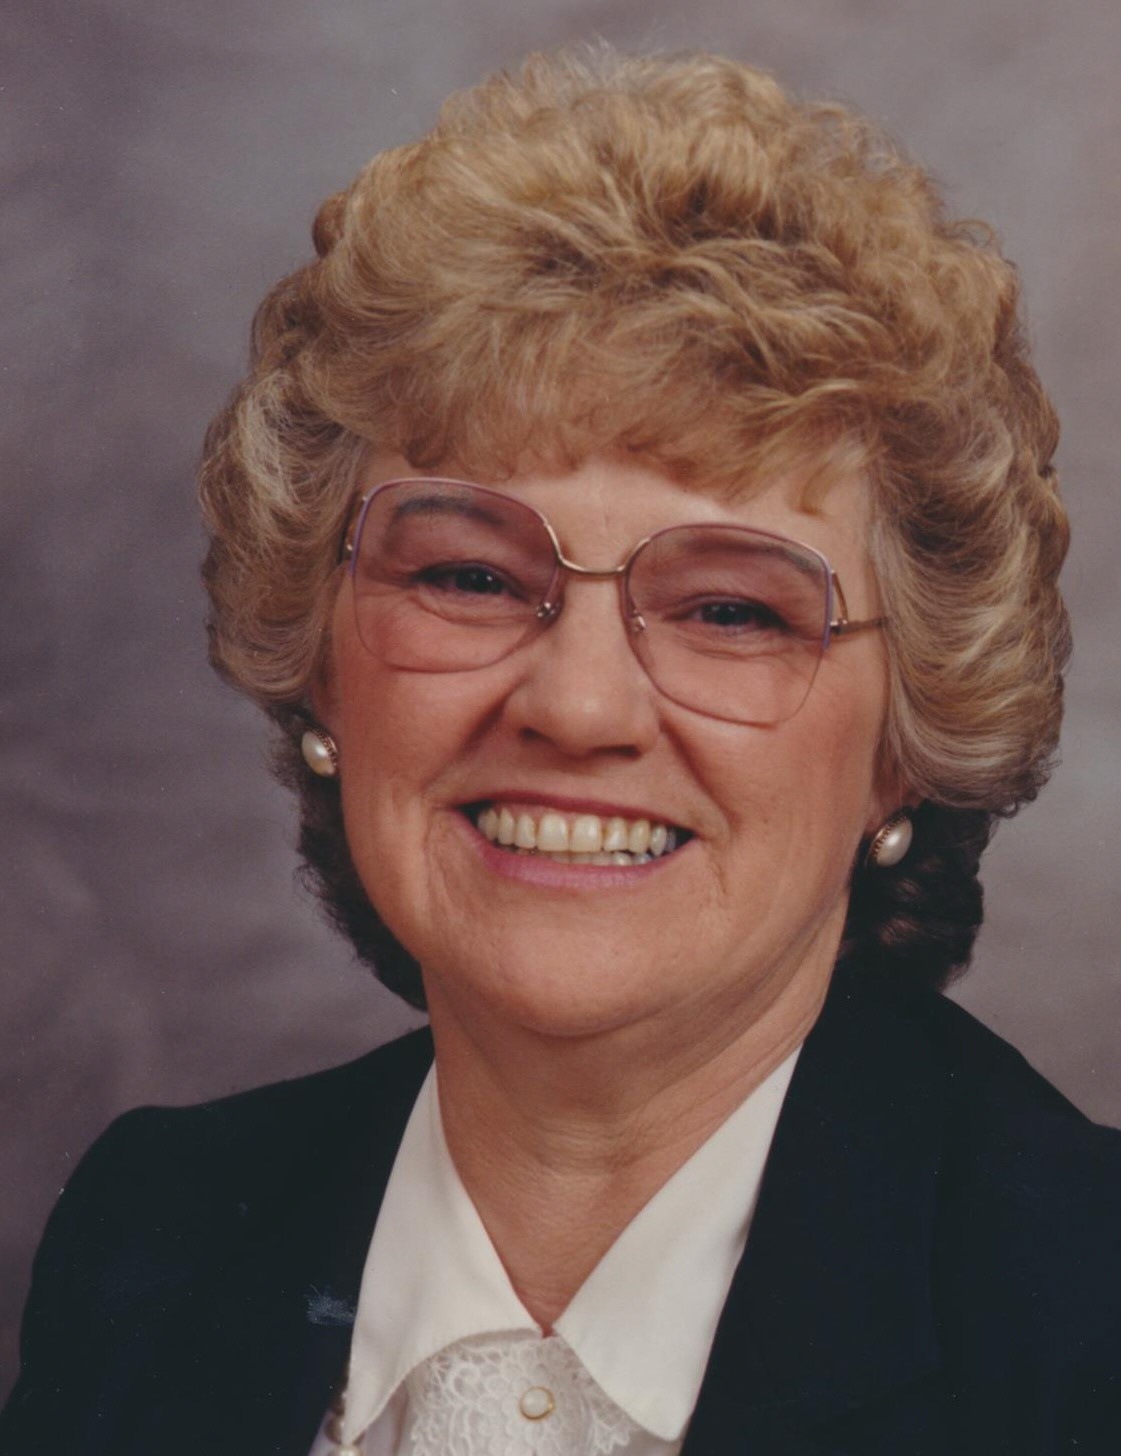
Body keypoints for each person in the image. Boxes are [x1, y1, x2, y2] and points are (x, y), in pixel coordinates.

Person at [3, 46, 1119, 1456]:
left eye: (729, 610)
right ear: (323, 666)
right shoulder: (153, 1242)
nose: (579, 707)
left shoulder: (1085, 1325)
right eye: (469, 577)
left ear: (906, 743)